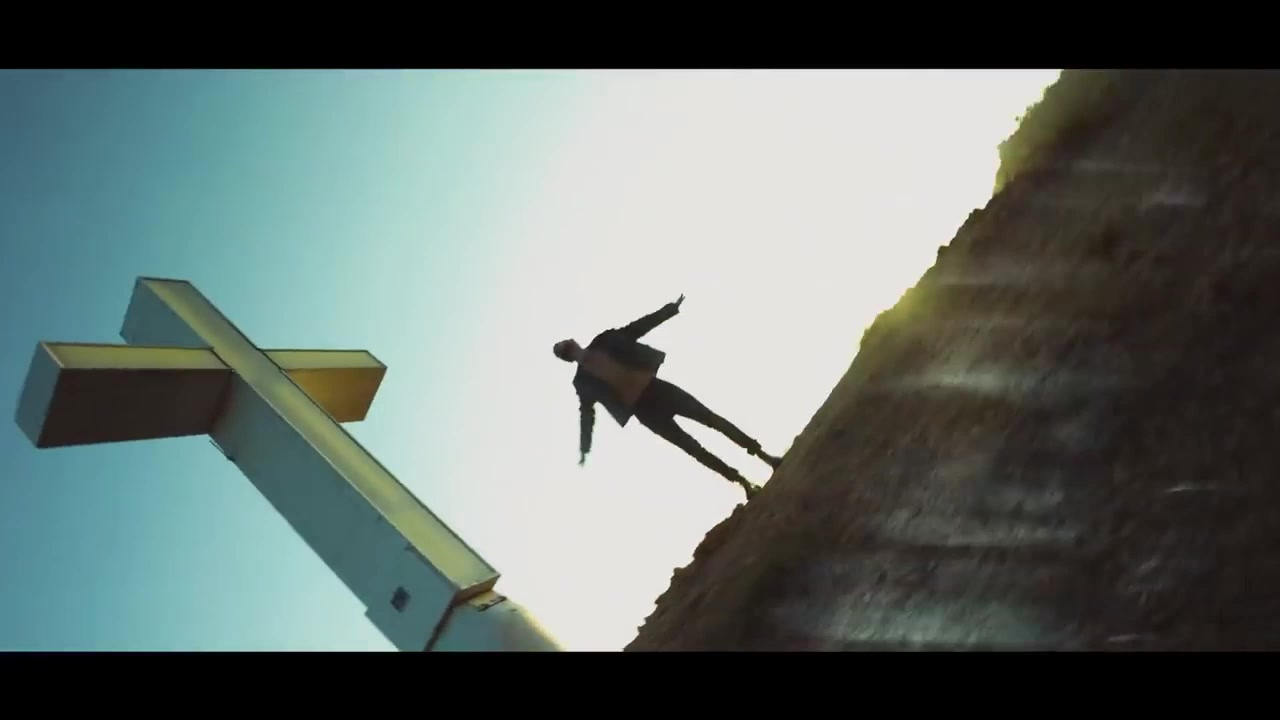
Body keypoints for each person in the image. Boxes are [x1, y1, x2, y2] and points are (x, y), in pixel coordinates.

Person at [553, 294, 783, 499]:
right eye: (565, 349)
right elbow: (587, 414)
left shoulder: (603, 341)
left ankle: (764, 456)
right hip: (645, 411)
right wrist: (584, 448)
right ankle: (743, 482)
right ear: (567, 357)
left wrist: (669, 310)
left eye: (567, 343)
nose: (570, 346)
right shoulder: (582, 381)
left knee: (710, 419)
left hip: (657, 389)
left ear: (573, 341)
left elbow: (636, 328)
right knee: (693, 448)